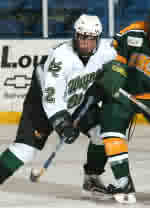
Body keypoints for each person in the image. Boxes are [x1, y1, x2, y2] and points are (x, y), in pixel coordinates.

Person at [0, 14, 117, 199]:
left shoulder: (106, 51)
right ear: (75, 35)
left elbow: (124, 63)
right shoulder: (61, 57)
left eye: (90, 38)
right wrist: (63, 125)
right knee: (25, 151)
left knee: (103, 133)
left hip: (78, 102)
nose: (85, 43)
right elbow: (51, 96)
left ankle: (92, 179)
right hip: (41, 105)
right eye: (81, 37)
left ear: (98, 38)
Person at [81, 17, 150, 204]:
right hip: (124, 91)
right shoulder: (131, 33)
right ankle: (115, 181)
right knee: (109, 125)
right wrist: (112, 73)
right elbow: (112, 61)